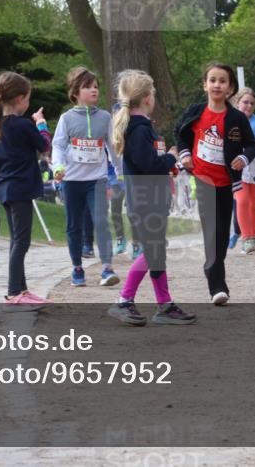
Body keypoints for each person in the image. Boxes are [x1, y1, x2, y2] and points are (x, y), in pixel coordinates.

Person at [107, 70, 196, 326]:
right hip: (146, 201)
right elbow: (148, 165)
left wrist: (167, 161)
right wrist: (170, 158)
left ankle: (165, 305)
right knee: (154, 251)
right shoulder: (139, 130)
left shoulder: (141, 127)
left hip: (150, 200)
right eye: (153, 93)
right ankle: (124, 301)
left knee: (157, 253)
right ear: (147, 98)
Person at [175, 63, 255, 305]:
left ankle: (213, 265)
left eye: (222, 81)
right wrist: (184, 153)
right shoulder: (196, 111)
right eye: (212, 80)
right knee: (213, 232)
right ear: (205, 85)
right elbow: (179, 132)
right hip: (203, 181)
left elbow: (251, 145)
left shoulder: (236, 118)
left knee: (221, 236)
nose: (217, 85)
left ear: (230, 88)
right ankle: (217, 286)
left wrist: (243, 158)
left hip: (226, 183)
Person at [0, 71, 53, 309]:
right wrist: (41, 123)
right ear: (20, 99)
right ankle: (14, 291)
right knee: (22, 242)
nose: (27, 103)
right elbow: (44, 144)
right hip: (21, 187)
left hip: (3, 187)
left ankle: (21, 289)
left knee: (16, 239)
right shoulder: (23, 125)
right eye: (27, 98)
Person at [51, 66, 121, 287]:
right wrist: (58, 167)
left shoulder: (105, 117)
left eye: (96, 87)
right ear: (75, 92)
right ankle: (77, 268)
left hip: (97, 180)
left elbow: (113, 147)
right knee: (74, 226)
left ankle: (107, 268)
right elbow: (58, 145)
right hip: (72, 181)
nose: (94, 91)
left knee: (101, 222)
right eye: (87, 87)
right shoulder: (67, 118)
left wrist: (120, 174)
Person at [232, 88, 255, 254]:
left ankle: (254, 238)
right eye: (245, 102)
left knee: (254, 202)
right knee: (242, 200)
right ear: (237, 103)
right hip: (238, 166)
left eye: (252, 103)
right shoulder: (231, 120)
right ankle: (246, 238)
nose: (248, 106)